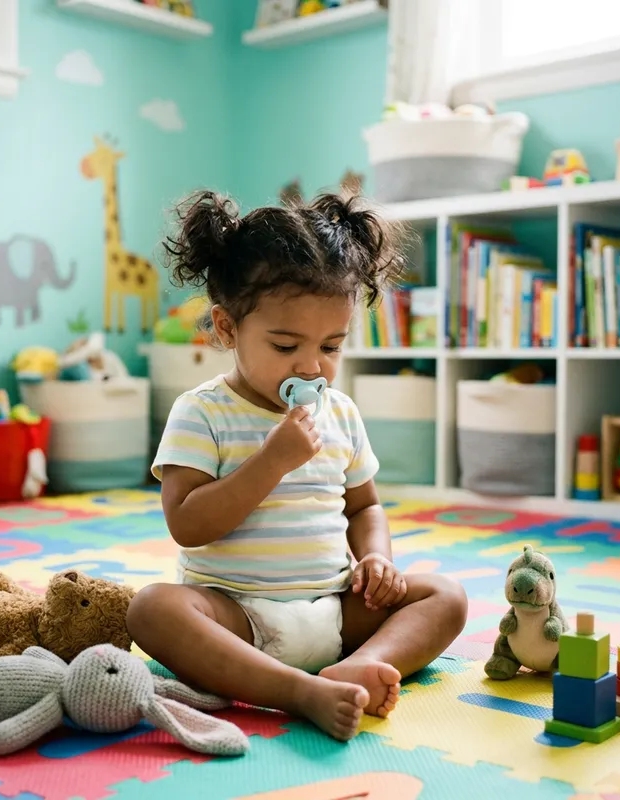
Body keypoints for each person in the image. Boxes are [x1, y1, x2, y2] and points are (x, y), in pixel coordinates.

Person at [127, 190, 468, 742]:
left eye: (331, 347)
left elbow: (366, 505)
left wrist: (377, 560)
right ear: (228, 328)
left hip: (335, 607)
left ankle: (356, 666)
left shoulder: (341, 412)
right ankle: (295, 691)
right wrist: (271, 462)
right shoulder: (202, 412)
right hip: (237, 618)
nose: (311, 366)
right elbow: (187, 524)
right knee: (152, 610)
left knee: (445, 597)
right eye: (286, 346)